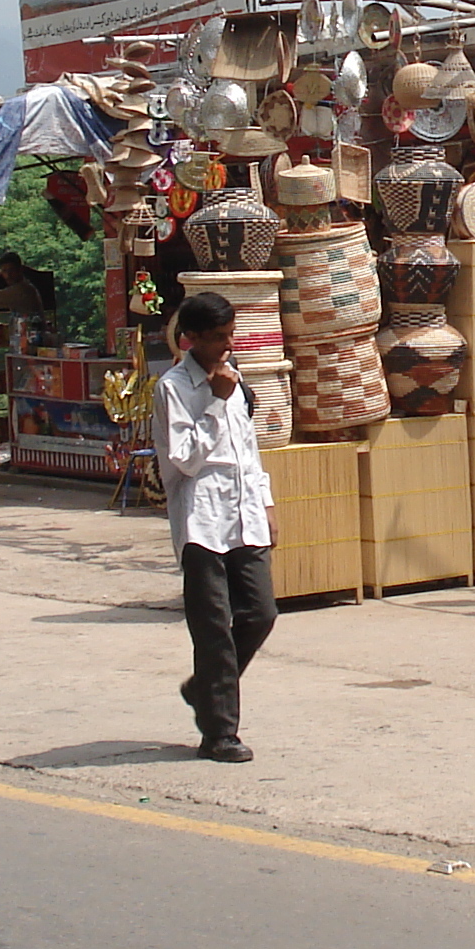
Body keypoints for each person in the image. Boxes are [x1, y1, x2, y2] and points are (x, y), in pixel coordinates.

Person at [153, 293, 278, 764]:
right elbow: (183, 458)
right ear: (194, 339)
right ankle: (220, 732)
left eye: (231, 335)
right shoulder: (173, 388)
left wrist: (265, 501)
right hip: (201, 520)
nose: (228, 345)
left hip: (244, 514)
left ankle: (204, 688)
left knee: (260, 613)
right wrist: (213, 401)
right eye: (218, 338)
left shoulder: (236, 379)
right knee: (212, 630)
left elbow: (248, 449)